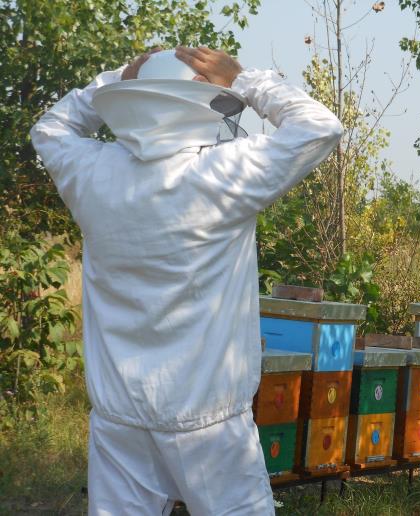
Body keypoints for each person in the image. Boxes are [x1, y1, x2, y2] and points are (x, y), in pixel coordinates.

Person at [30, 46, 343, 515]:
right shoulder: (226, 171)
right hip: (209, 422)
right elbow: (320, 127)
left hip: (119, 418)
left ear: (135, 102)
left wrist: (116, 78)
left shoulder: (93, 172)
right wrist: (244, 79)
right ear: (198, 105)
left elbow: (49, 129)